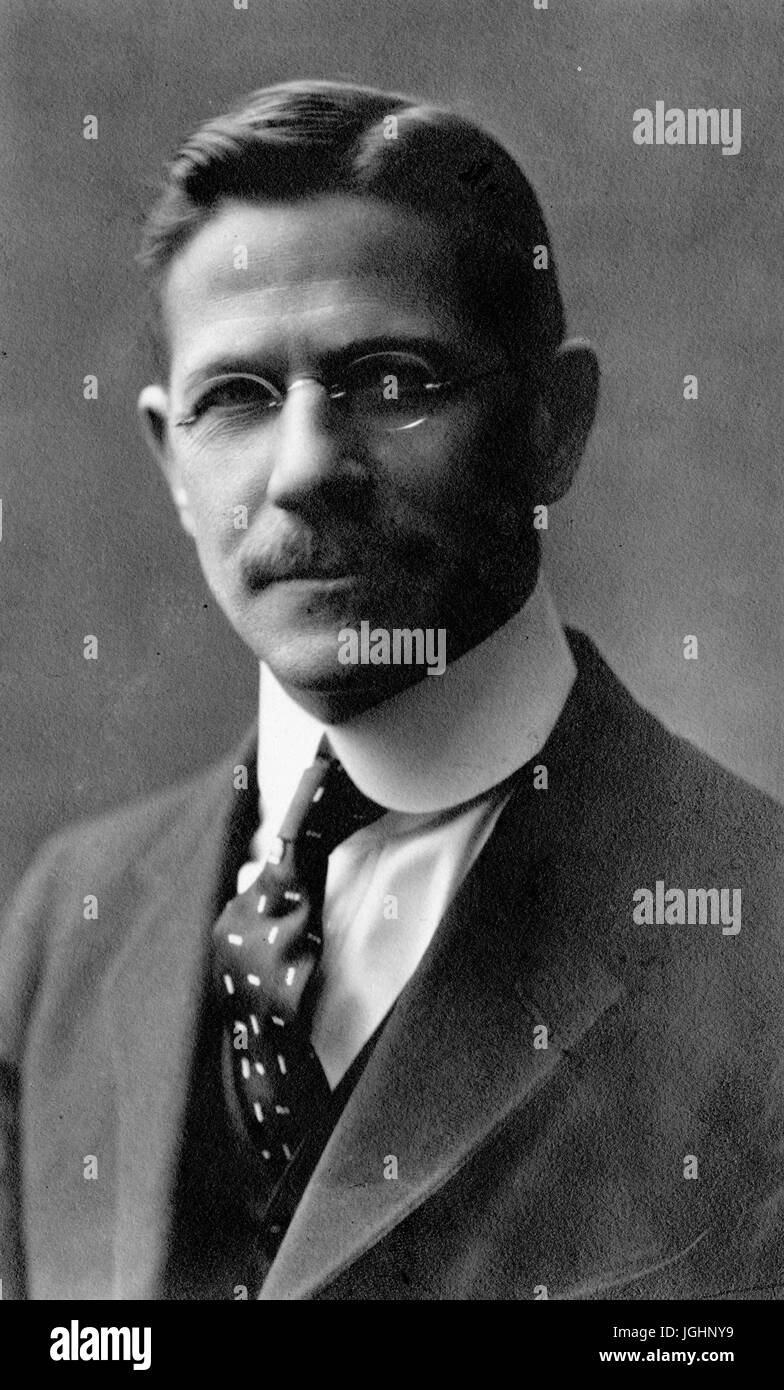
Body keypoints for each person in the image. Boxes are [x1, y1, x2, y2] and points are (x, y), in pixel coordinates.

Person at [1, 79, 782, 1302]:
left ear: (551, 425)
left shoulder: (757, 930)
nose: (307, 468)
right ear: (169, 457)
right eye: (237, 400)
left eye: (391, 380)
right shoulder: (69, 926)